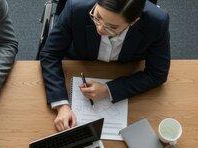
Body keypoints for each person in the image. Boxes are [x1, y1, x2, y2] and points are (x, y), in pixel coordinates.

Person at [40, 0, 170, 131]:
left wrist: (108, 90)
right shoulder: (75, 8)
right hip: (79, 60)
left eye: (112, 27)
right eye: (97, 17)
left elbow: (157, 74)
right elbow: (49, 54)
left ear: (134, 21)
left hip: (126, 67)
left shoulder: (157, 22)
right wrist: (61, 105)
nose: (100, 29)